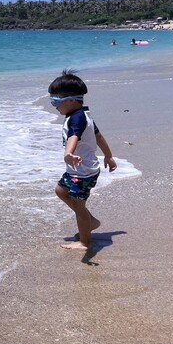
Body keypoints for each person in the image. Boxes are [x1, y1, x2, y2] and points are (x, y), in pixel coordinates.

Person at [48, 69, 117, 251]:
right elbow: (99, 136)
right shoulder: (82, 115)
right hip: (80, 169)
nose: (53, 104)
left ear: (71, 100)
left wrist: (68, 153)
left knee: (79, 206)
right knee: (61, 190)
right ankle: (90, 221)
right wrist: (109, 156)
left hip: (82, 171)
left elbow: (74, 136)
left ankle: (85, 241)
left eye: (55, 100)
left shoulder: (76, 119)